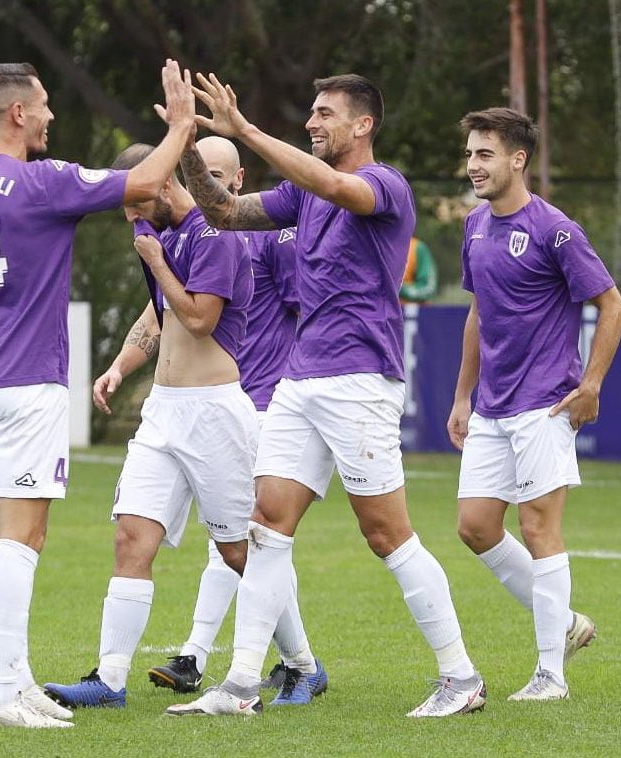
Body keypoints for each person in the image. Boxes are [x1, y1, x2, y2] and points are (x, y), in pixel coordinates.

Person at [0, 60, 196, 729]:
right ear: (17, 113)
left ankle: (16, 681)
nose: (51, 114)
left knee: (24, 533)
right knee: (19, 541)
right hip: (28, 384)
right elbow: (145, 180)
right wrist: (185, 125)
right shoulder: (44, 181)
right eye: (44, 104)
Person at [168, 72, 485, 718]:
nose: (312, 123)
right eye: (310, 114)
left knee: (386, 533)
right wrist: (185, 145)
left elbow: (338, 187)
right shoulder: (300, 193)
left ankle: (461, 677)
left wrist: (247, 131)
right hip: (300, 378)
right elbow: (225, 214)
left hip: (359, 380)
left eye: (324, 114)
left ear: (363, 125)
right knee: (267, 526)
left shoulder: (384, 185)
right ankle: (237, 687)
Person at [41, 140, 255, 712]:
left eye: (136, 203)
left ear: (164, 185)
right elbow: (159, 313)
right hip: (162, 411)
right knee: (131, 536)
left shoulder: (215, 234)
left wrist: (156, 258)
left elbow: (199, 318)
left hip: (214, 411)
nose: (131, 217)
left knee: (241, 552)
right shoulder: (160, 233)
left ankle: (300, 663)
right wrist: (119, 366)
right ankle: (109, 680)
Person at [448, 107, 621, 701]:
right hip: (491, 409)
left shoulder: (556, 229)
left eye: (485, 154)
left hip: (546, 404)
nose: (473, 164)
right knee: (475, 528)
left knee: (537, 525)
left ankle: (551, 673)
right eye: (471, 153)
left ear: (517, 159)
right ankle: (569, 621)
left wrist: (593, 383)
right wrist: (462, 396)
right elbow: (478, 313)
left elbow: (613, 306)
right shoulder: (474, 226)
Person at [146, 136, 327, 707]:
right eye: (198, 173)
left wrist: (296, 395)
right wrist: (121, 364)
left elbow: (310, 311)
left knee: (246, 537)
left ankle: (204, 658)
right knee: (237, 539)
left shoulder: (270, 237)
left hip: (266, 400)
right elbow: (163, 313)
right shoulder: (194, 237)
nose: (209, 185)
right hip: (215, 399)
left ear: (240, 178)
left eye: (218, 175)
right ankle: (213, 658)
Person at [400, 236, 438, 304]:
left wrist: (399, 289)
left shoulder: (417, 248)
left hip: (411, 312)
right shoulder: (377, 247)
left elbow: (428, 288)